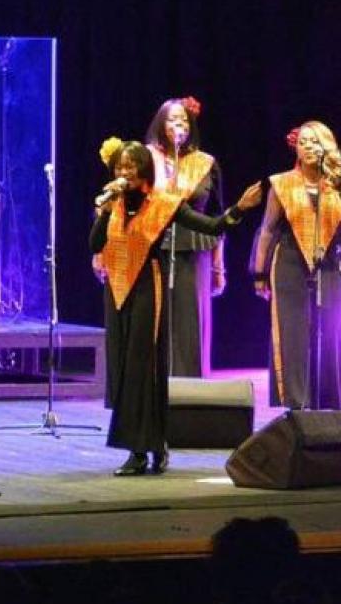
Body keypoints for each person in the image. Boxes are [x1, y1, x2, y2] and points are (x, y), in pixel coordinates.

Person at [90, 138, 261, 476]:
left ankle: (142, 450)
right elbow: (95, 243)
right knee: (124, 367)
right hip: (117, 289)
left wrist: (239, 208)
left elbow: (211, 227)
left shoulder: (164, 204)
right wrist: (104, 212)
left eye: (130, 167)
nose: (124, 172)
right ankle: (151, 446)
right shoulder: (115, 205)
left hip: (147, 289)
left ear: (143, 172)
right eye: (120, 167)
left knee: (144, 367)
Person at [251, 121, 341, 410]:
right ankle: (297, 403)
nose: (309, 146)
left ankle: (331, 402)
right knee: (293, 331)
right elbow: (267, 229)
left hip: (330, 264)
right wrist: (260, 273)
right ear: (296, 149)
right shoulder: (282, 183)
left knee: (333, 330)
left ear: (327, 145)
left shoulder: (339, 184)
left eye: (315, 141)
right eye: (303, 142)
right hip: (289, 263)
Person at [145, 96, 226, 377]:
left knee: (190, 321)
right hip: (153, 249)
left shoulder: (205, 163)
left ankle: (190, 388)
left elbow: (218, 218)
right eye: (172, 119)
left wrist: (219, 266)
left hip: (195, 250)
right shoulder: (145, 159)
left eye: (184, 120)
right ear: (160, 123)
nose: (179, 124)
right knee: (155, 318)